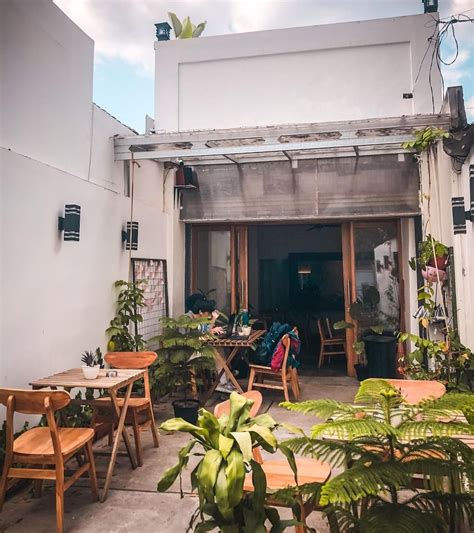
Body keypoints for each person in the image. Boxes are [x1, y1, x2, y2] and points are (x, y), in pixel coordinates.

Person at [185, 293, 233, 393]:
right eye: (208, 313)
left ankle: (224, 381)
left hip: (198, 348)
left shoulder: (199, 318)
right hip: (189, 353)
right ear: (200, 312)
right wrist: (213, 323)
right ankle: (223, 382)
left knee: (219, 349)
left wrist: (212, 329)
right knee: (215, 351)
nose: (210, 316)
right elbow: (198, 338)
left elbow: (204, 333)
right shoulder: (188, 319)